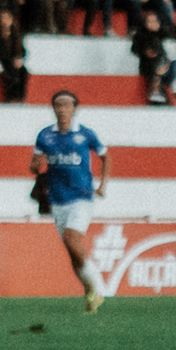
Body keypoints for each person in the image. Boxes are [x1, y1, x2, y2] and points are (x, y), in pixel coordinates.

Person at [30, 90, 110, 313]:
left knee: (71, 238)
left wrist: (102, 185)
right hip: (57, 199)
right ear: (53, 108)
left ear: (75, 109)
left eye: (66, 105)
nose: (62, 109)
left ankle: (97, 288)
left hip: (82, 197)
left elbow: (105, 156)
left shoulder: (85, 134)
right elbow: (34, 165)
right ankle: (91, 292)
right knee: (72, 251)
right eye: (58, 105)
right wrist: (35, 166)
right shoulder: (45, 136)